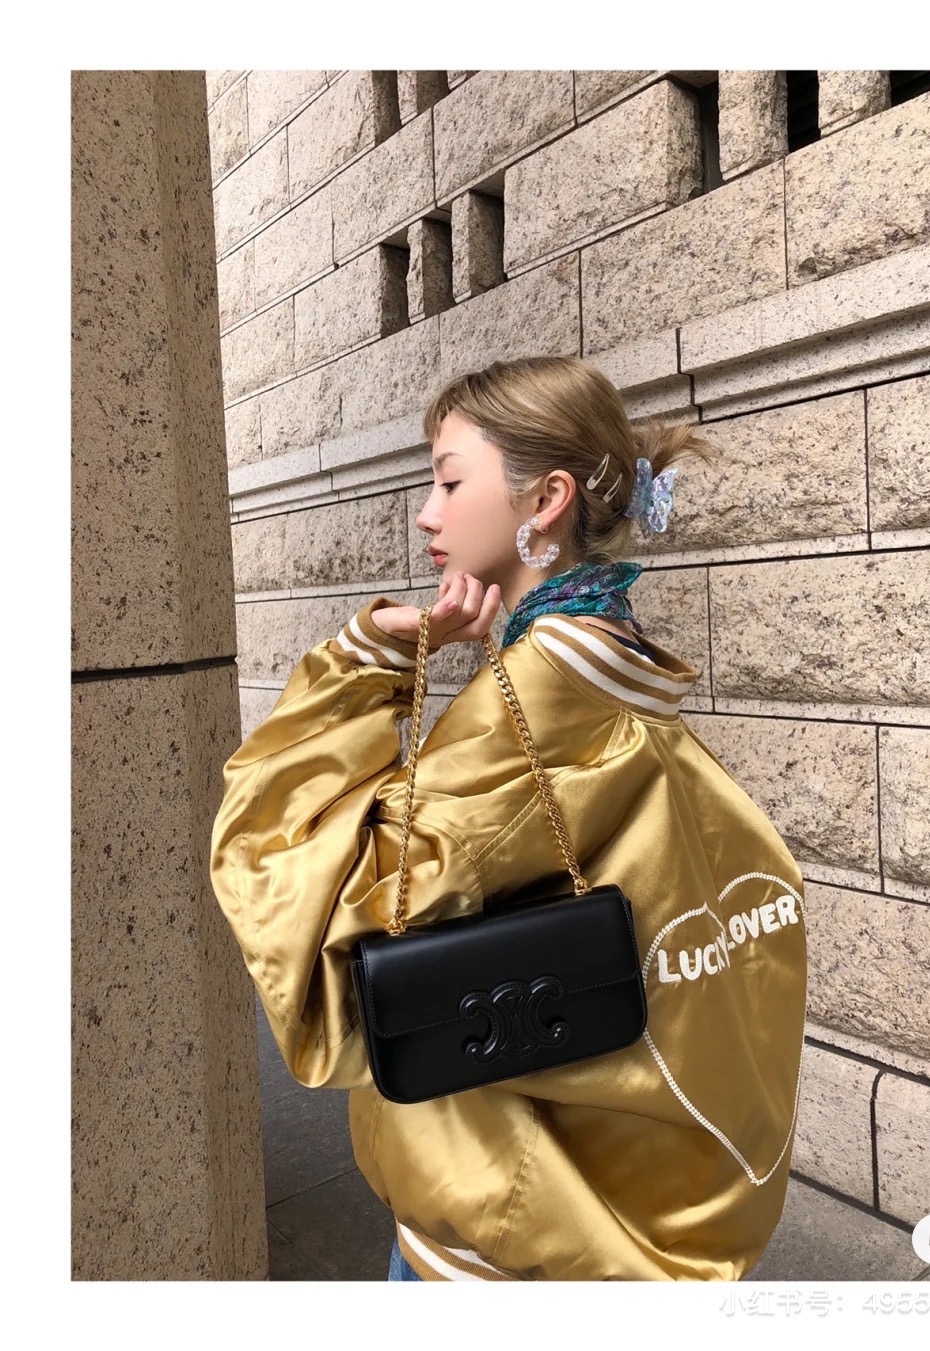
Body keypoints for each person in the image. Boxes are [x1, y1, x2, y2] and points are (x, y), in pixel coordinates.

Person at [210, 355, 807, 1282]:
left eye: (449, 481)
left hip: (499, 1241)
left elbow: (312, 919)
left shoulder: (534, 691)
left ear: (548, 499)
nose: (427, 512)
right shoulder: (615, 656)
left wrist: (362, 663)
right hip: (607, 1195)